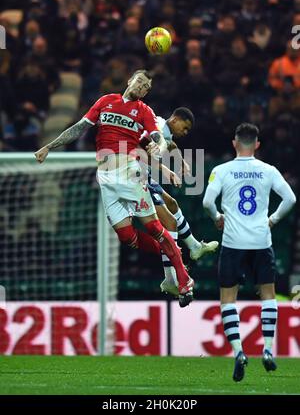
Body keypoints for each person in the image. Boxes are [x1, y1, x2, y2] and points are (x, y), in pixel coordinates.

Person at [35, 69, 194, 307]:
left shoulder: (144, 111)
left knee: (153, 226)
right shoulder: (105, 101)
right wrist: (49, 146)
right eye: (139, 81)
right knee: (127, 237)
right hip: (105, 177)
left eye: (145, 87)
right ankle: (174, 254)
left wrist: (155, 147)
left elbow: (157, 137)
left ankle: (183, 281)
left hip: (130, 171)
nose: (141, 87)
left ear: (147, 92)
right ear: (130, 80)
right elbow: (79, 128)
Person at [202, 123, 296, 381]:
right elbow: (291, 199)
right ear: (257, 144)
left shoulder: (221, 170)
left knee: (228, 300)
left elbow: (207, 202)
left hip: (233, 243)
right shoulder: (269, 170)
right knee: (268, 295)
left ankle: (239, 352)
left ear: (234, 143)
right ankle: (267, 350)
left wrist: (217, 217)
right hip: (261, 241)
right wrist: (273, 220)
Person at [140, 107, 218, 297]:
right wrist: (167, 171)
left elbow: (171, 145)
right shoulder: (157, 128)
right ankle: (170, 278)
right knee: (170, 223)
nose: (185, 132)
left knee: (173, 204)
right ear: (175, 120)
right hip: (135, 175)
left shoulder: (163, 128)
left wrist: (181, 162)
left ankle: (193, 246)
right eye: (185, 128)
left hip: (144, 174)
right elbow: (143, 152)